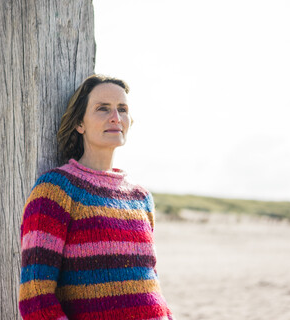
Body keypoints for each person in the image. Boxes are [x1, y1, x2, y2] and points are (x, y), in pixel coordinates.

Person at [18, 75, 175, 319]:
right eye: (103, 108)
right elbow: (36, 297)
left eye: (122, 109)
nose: (116, 117)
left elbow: (149, 280)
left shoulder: (141, 196)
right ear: (80, 123)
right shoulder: (56, 189)